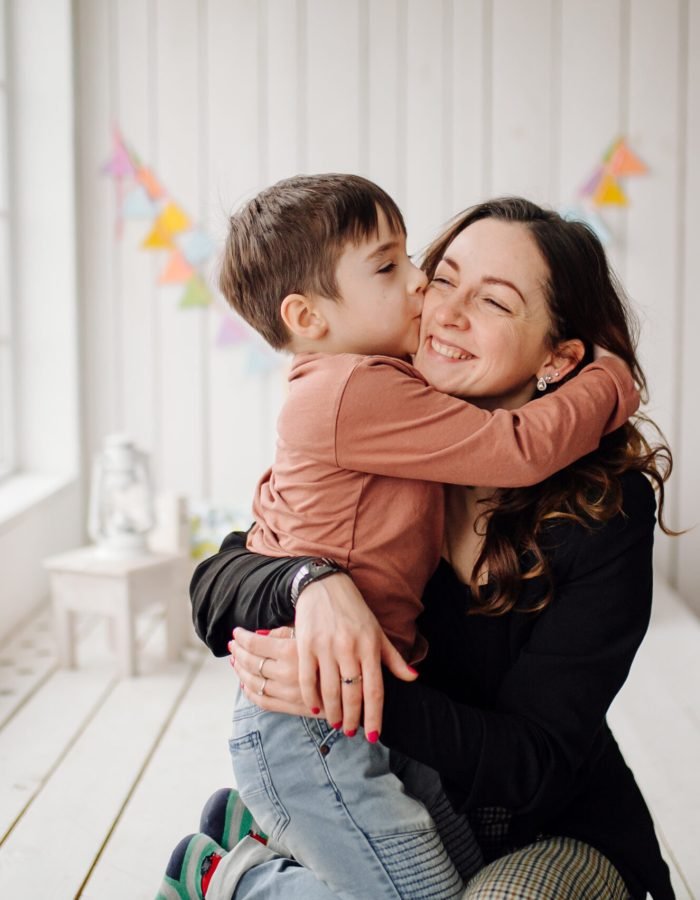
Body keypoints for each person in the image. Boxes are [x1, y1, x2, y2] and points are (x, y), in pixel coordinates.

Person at [162, 196, 674, 899]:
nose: (445, 310)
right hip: (381, 778)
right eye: (443, 277)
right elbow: (221, 578)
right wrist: (310, 585)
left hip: (549, 825)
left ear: (558, 358)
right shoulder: (379, 424)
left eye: (493, 302)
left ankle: (244, 880)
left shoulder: (606, 513)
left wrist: (351, 690)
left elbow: (538, 760)